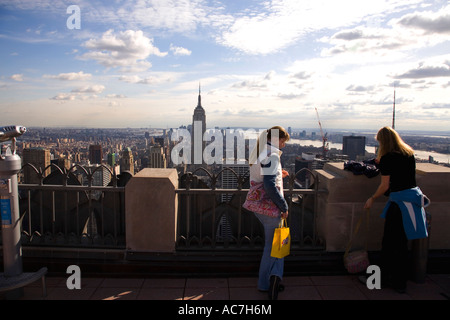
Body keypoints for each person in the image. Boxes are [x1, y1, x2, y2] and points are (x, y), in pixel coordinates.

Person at [364, 126, 428, 293]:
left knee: (389, 243)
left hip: (399, 205)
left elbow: (384, 185)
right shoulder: (409, 154)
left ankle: (382, 279)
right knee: (401, 244)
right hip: (413, 201)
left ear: (383, 142)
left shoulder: (387, 158)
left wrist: (372, 198)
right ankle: (400, 282)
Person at [248, 126, 290, 300]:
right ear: (275, 139)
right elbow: (269, 185)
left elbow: (264, 177)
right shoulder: (272, 156)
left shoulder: (260, 152)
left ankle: (270, 280)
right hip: (270, 208)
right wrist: (284, 206)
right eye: (282, 141)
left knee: (274, 244)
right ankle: (269, 282)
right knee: (275, 246)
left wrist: (280, 174)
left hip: (259, 206)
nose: (283, 145)